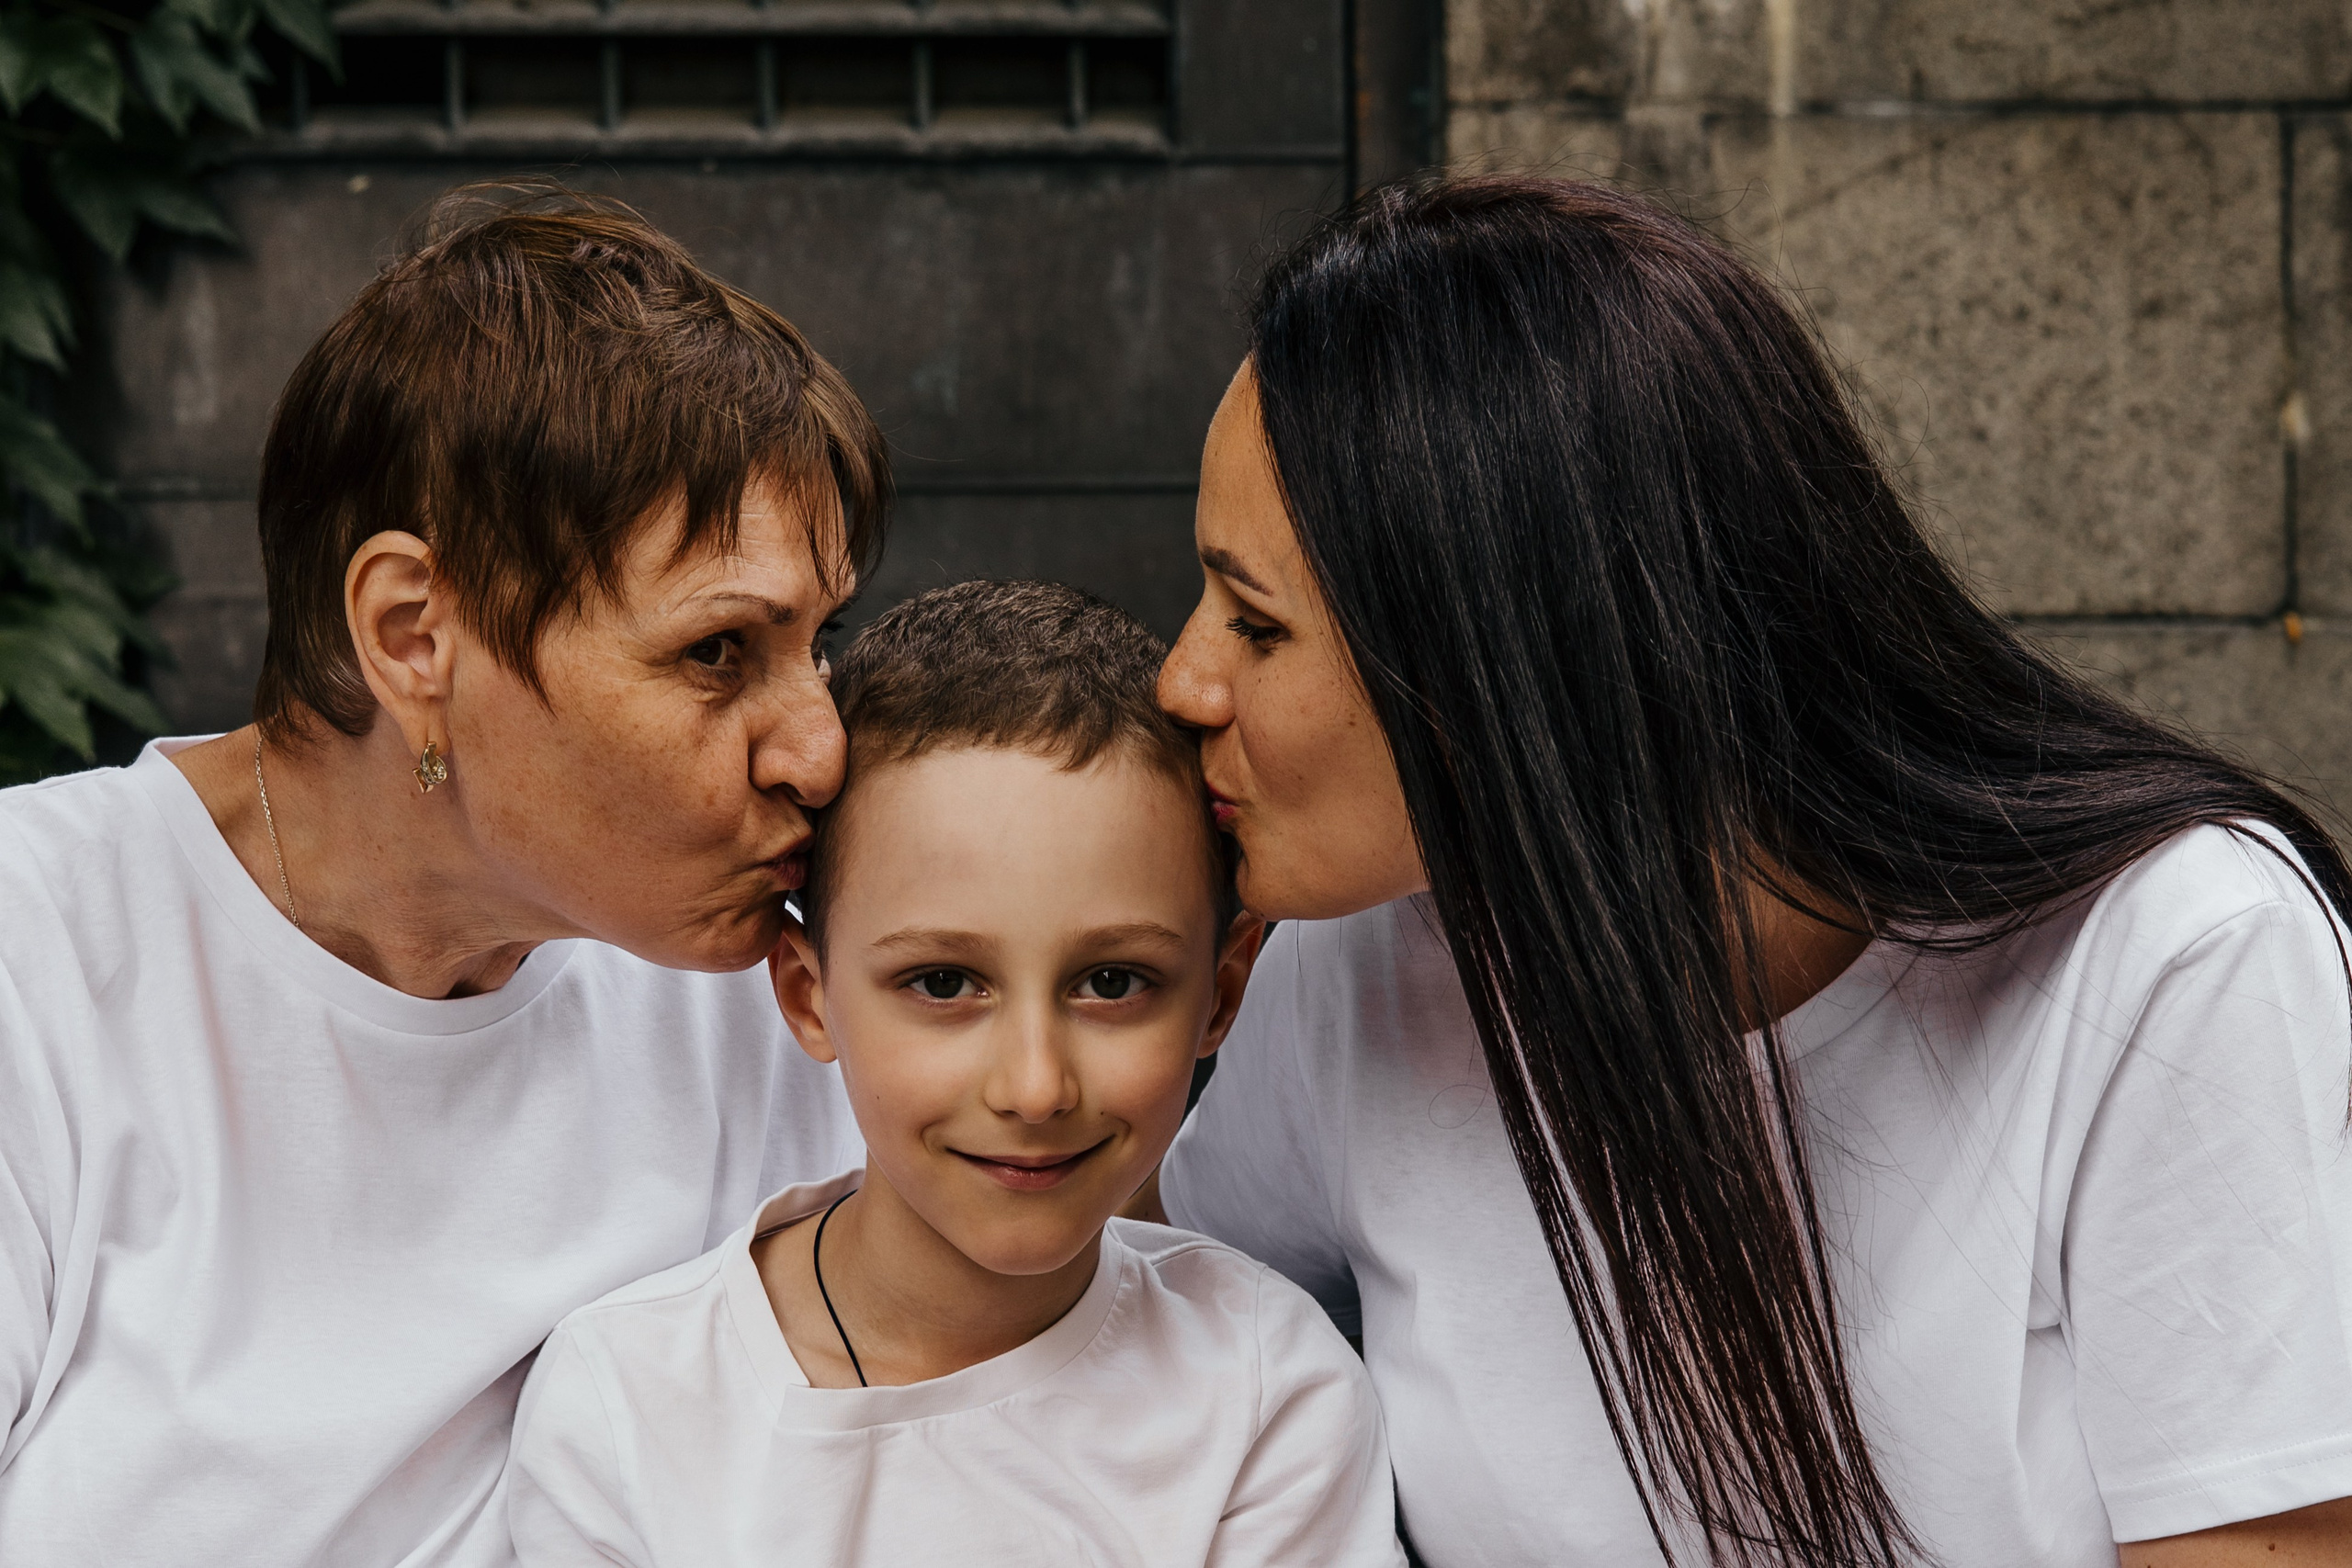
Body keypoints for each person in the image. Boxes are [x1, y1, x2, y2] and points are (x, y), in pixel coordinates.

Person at [1148, 175, 2352, 1568]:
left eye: (1255, 619)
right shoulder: (1367, 954)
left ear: (1522, 651)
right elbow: (1113, 1321)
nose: (1183, 677)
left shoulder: (2175, 959)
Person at [0, 190, 890, 1565]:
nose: (820, 750)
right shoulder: (41, 953)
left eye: (819, 641)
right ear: (414, 634)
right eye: (719, 652)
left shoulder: (796, 975)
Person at [505, 580, 1403, 1568]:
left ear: (1222, 996)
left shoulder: (1270, 1392)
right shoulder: (626, 1402)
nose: (1033, 1086)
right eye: (943, 982)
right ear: (811, 997)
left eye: (1112, 982)